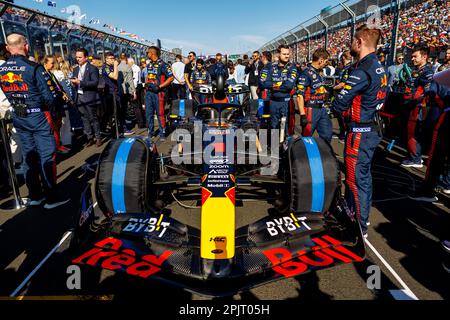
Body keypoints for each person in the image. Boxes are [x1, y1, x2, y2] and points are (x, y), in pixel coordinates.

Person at [0, 33, 70, 209]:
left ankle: (35, 196)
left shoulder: (1, 69)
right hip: (37, 115)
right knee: (47, 155)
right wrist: (54, 116)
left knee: (29, 156)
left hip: (19, 115)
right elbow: (49, 97)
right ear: (26, 47)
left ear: (8, 48)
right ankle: (51, 197)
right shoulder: (34, 67)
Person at [332, 25, 387, 238]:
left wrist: (341, 99)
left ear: (360, 42)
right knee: (364, 177)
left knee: (355, 179)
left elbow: (339, 103)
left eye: (353, 40)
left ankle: (358, 226)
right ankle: (359, 216)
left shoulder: (362, 69)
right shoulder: (378, 65)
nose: (350, 44)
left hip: (361, 130)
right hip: (372, 127)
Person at [401, 44, 434, 168]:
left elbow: (429, 93)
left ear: (424, 57)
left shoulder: (427, 72)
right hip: (411, 106)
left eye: (415, 56)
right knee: (411, 132)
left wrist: (424, 109)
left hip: (418, 107)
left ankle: (415, 158)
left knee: (413, 133)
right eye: (412, 56)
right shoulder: (417, 70)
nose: (412, 59)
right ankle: (414, 156)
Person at [297, 48, 333, 143]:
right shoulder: (306, 73)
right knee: (306, 138)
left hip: (322, 109)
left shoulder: (319, 73)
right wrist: (302, 115)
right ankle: (304, 156)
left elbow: (319, 88)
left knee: (327, 134)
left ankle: (323, 153)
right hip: (310, 110)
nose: (327, 63)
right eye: (326, 61)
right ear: (321, 60)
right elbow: (300, 95)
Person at [259, 45, 298, 131]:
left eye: (288, 54)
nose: (287, 56)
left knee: (287, 130)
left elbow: (288, 86)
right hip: (273, 102)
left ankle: (286, 144)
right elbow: (262, 83)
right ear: (278, 54)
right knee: (274, 128)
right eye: (284, 54)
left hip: (286, 102)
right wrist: (279, 84)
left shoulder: (292, 67)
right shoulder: (271, 67)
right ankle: (275, 144)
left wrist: (272, 85)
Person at [71, 48, 102, 147]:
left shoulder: (93, 68)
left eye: (80, 57)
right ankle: (89, 137)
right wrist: (73, 82)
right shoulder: (75, 69)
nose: (78, 59)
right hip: (79, 97)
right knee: (84, 118)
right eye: (77, 57)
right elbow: (76, 81)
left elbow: (95, 82)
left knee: (93, 118)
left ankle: (98, 137)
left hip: (89, 97)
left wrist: (81, 82)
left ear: (86, 57)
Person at [142, 46, 174, 141]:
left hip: (159, 93)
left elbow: (171, 77)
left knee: (160, 113)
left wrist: (160, 86)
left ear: (152, 53)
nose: (147, 54)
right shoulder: (149, 64)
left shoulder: (163, 64)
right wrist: (146, 85)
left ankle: (162, 133)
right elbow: (148, 75)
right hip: (149, 93)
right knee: (148, 113)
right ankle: (150, 132)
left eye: (148, 52)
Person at [333, 49, 353, 141]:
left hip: (345, 96)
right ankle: (343, 133)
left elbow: (343, 84)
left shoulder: (348, 68)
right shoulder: (345, 68)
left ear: (344, 58)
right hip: (342, 95)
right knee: (341, 116)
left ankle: (345, 135)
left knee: (344, 117)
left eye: (341, 58)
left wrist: (331, 88)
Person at [118, 53, 136, 136]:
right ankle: (124, 128)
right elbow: (130, 80)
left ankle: (120, 127)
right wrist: (134, 91)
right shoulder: (128, 67)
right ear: (126, 59)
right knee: (124, 110)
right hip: (125, 90)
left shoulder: (117, 67)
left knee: (119, 110)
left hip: (118, 90)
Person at [128, 57, 146, 129]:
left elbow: (135, 80)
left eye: (128, 63)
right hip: (139, 87)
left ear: (131, 62)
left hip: (136, 87)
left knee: (136, 106)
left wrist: (133, 91)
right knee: (141, 105)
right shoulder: (137, 67)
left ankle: (140, 123)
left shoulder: (134, 68)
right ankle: (143, 121)